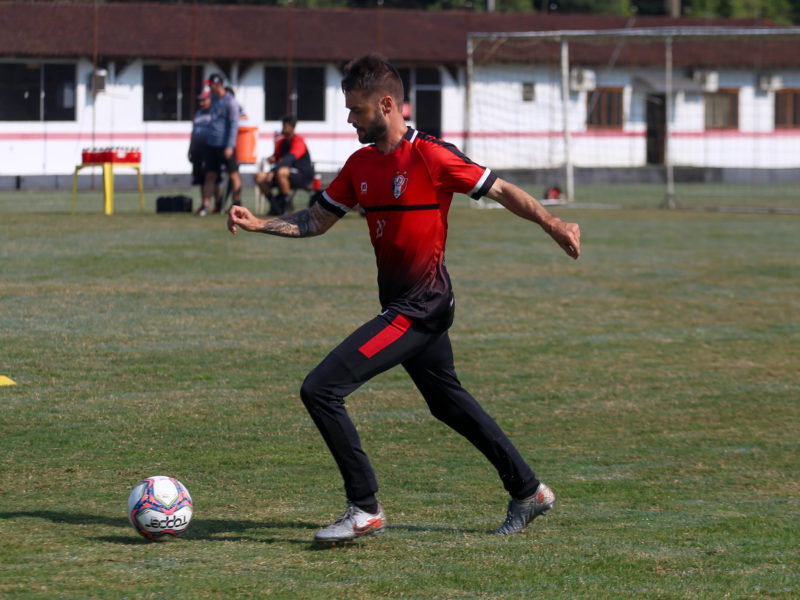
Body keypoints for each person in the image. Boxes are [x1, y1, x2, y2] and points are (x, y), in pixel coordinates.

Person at [227, 53, 581, 544]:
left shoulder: (431, 156)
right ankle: (528, 491)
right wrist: (261, 224)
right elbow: (317, 219)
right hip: (403, 304)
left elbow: (500, 189)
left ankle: (364, 508)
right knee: (447, 403)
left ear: (386, 105)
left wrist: (554, 223)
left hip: (421, 306)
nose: (350, 118)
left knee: (321, 389)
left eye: (356, 110)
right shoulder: (360, 165)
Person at [197, 73, 241, 216]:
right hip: (212, 144)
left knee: (233, 174)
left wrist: (230, 146)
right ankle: (206, 205)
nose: (209, 87)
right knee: (210, 175)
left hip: (226, 144)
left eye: (210, 85)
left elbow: (234, 124)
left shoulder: (230, 101)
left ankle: (237, 203)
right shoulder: (213, 99)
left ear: (218, 85)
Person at [254, 114, 314, 216]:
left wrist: (273, 171)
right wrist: (272, 159)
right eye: (283, 125)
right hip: (282, 175)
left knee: (282, 171)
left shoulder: (298, 141)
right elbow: (276, 157)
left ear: (293, 127)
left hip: (302, 176)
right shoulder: (282, 142)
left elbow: (289, 159)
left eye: (286, 126)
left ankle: (287, 205)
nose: (283, 128)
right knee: (259, 176)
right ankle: (275, 205)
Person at [188, 87, 221, 209]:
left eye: (204, 100)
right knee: (201, 179)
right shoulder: (198, 114)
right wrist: (190, 149)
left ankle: (216, 203)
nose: (201, 102)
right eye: (200, 100)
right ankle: (205, 203)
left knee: (212, 177)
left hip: (211, 150)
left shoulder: (215, 113)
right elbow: (193, 133)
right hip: (197, 151)